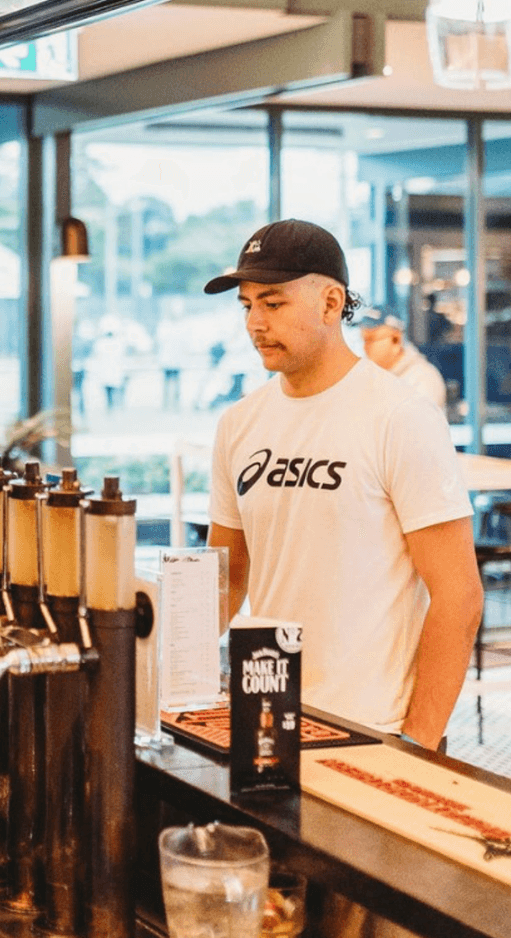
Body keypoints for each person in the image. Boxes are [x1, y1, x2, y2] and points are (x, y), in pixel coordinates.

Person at [204, 219, 482, 750]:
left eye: (273, 303)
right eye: (247, 306)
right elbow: (228, 574)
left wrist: (418, 743)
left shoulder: (400, 416)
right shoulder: (239, 424)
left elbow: (460, 595)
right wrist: (173, 674)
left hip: (372, 728)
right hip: (268, 719)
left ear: (331, 304)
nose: (255, 323)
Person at [359, 306, 447, 411]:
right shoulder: (369, 377)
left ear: (396, 340)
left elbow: (418, 425)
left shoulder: (423, 379)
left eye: (371, 339)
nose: (365, 347)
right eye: (363, 340)